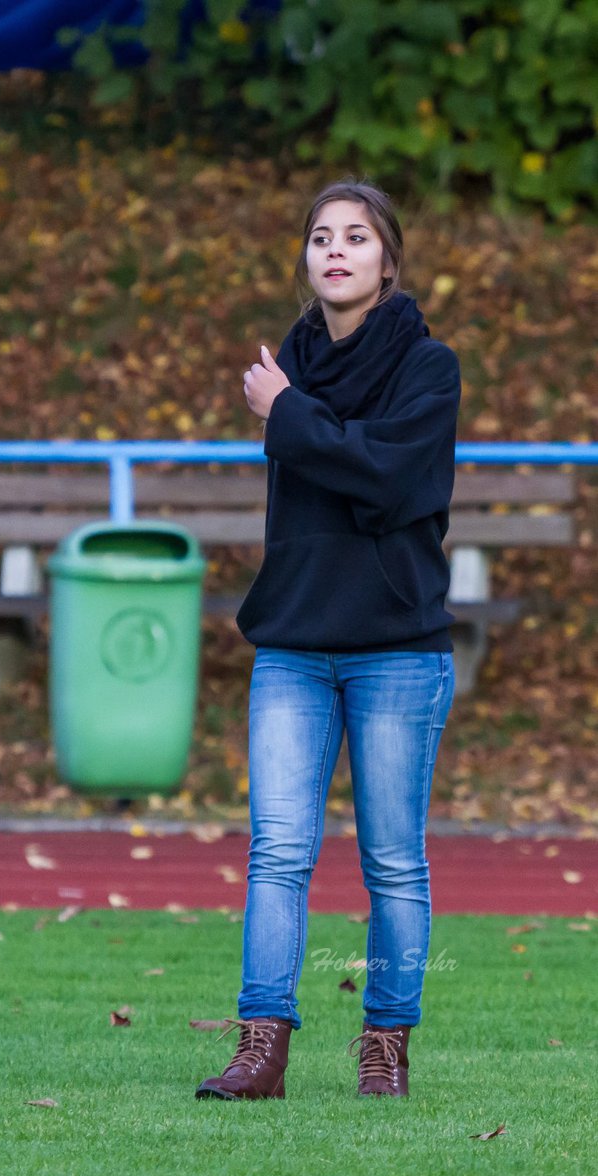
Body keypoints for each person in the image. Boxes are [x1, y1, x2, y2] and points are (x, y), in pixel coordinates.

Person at [195, 178, 460, 1101]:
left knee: (392, 859)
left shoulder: (427, 369)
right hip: (295, 648)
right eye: (320, 237)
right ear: (306, 260)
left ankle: (384, 1046)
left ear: (389, 258)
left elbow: (388, 484)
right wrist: (296, 409)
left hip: (398, 647)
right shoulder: (292, 365)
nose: (335, 250)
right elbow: (339, 474)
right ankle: (261, 1046)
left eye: (356, 237)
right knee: (277, 851)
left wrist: (290, 417)